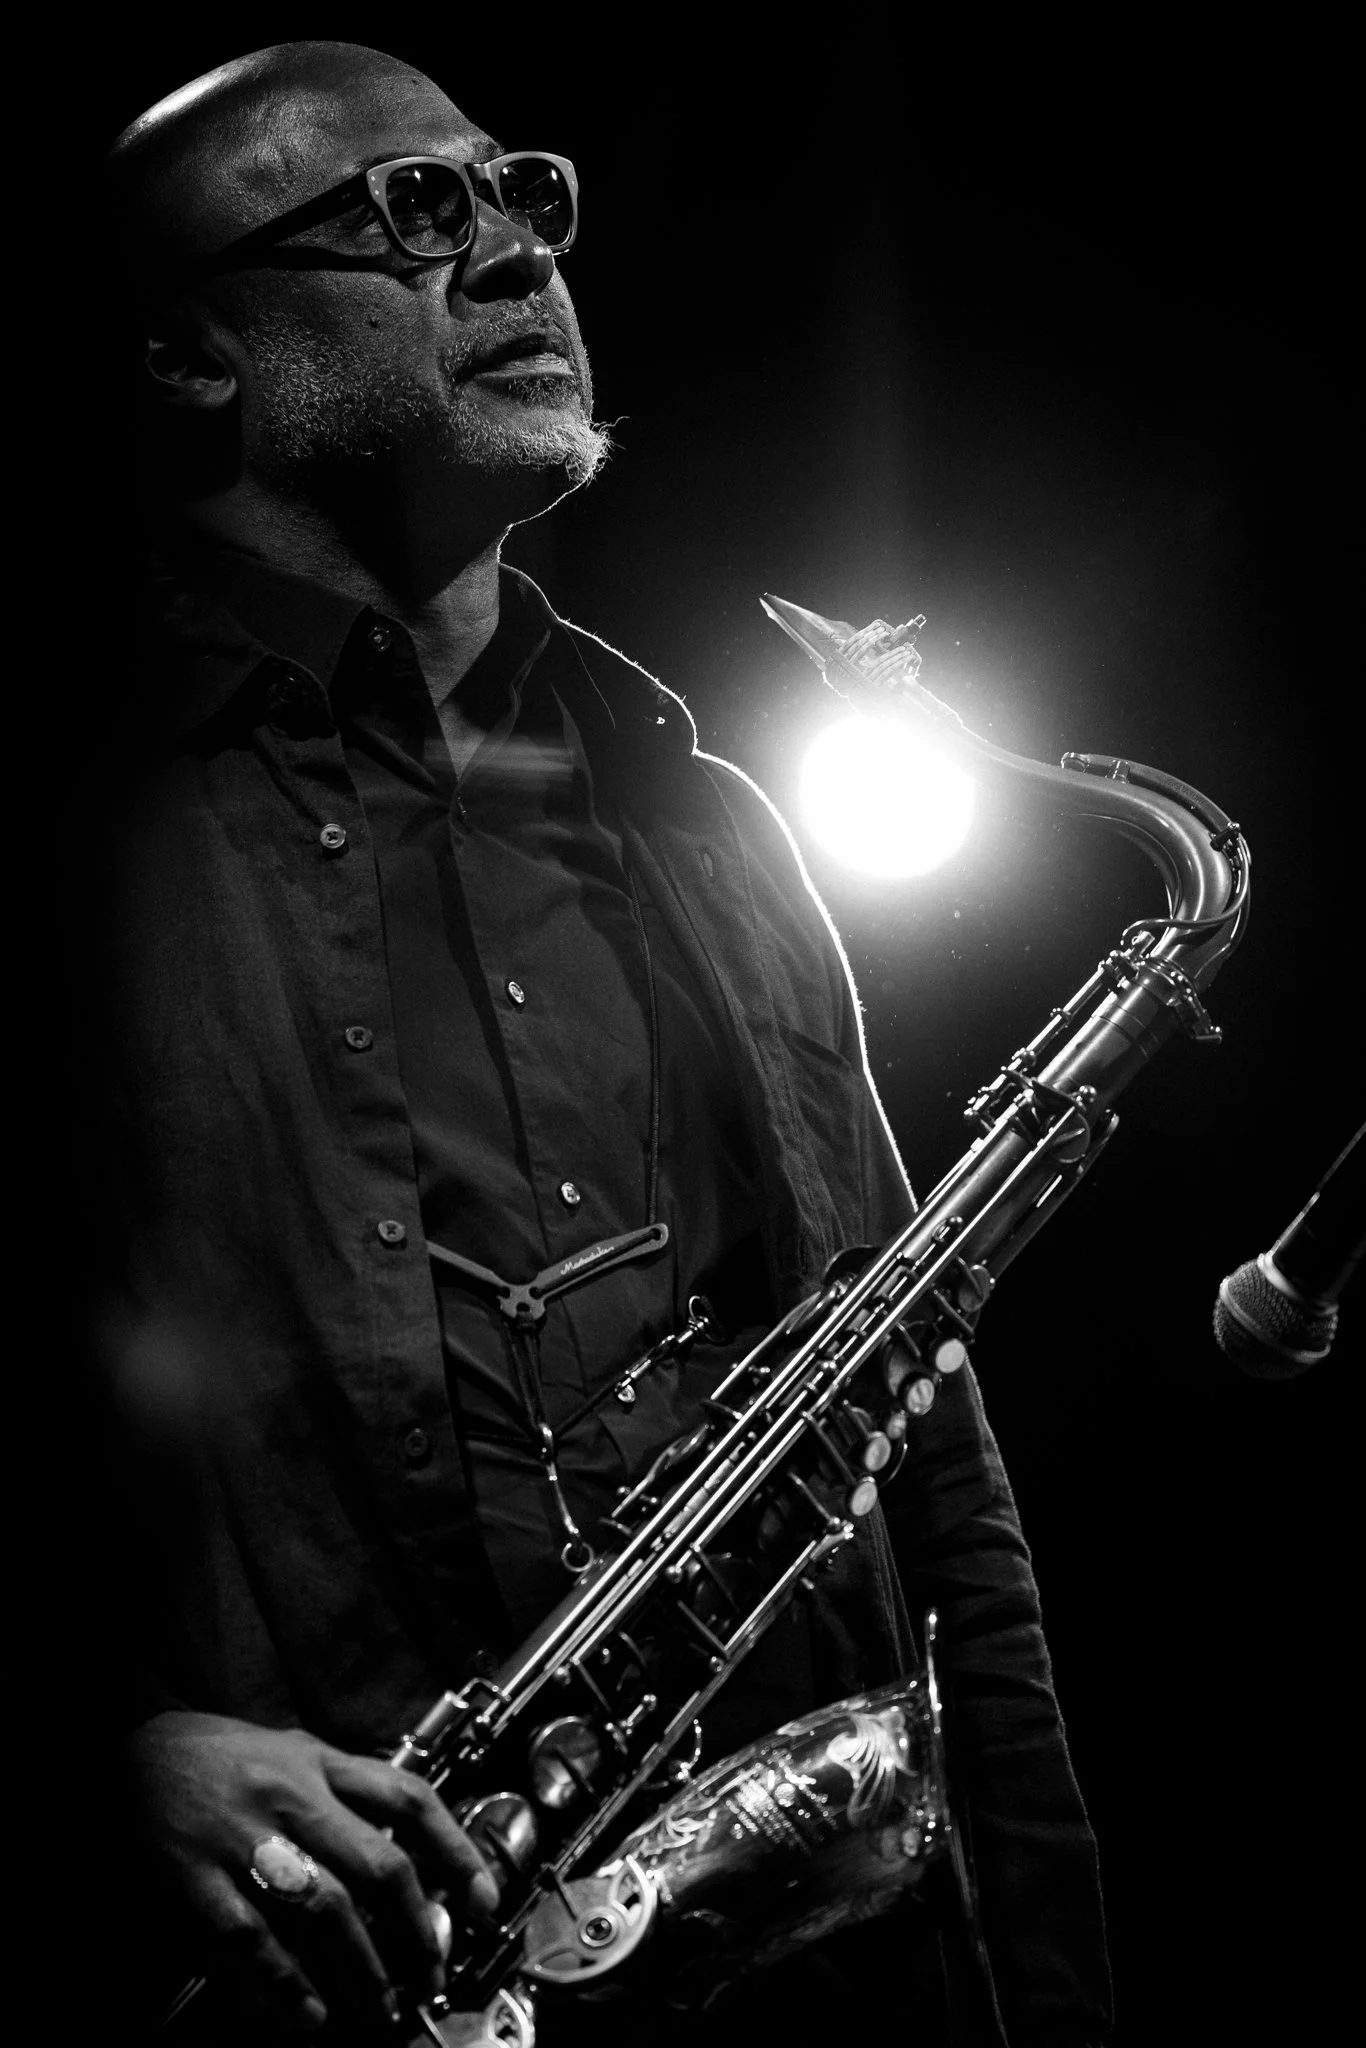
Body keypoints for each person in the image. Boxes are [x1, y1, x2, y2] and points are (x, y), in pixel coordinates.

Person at [96, 40, 1111, 2048]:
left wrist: (1052, 1995)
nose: (509, 259)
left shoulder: (701, 812)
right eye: (407, 214)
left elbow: (931, 1479)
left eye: (517, 196)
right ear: (183, 359)